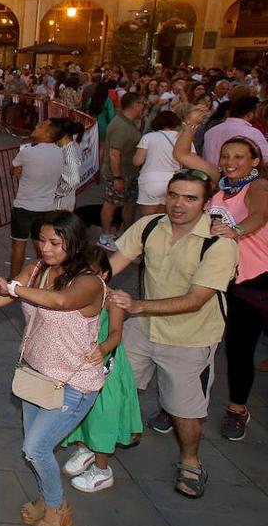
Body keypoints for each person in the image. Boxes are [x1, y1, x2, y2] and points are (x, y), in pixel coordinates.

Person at [0, 211, 107, 526]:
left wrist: (15, 288)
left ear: (73, 243)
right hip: (36, 375)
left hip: (74, 383)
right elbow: (5, 295)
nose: (45, 249)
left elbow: (60, 301)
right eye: (42, 241)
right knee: (36, 448)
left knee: (35, 447)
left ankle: (57, 507)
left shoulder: (89, 282)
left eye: (55, 243)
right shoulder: (35, 271)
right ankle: (48, 496)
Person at [106, 170, 239, 497]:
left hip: (190, 338)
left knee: (184, 410)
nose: (179, 204)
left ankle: (190, 462)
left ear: (207, 204)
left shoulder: (219, 244)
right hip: (143, 328)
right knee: (117, 386)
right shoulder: (151, 225)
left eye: (191, 198)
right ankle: (123, 431)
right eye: (174, 195)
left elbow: (196, 300)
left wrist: (137, 307)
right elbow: (110, 266)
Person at [172, 114, 267, 442]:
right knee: (197, 340)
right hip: (217, 274)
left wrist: (235, 230)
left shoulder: (257, 186)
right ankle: (183, 404)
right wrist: (190, 124)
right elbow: (183, 155)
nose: (229, 163)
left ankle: (238, 409)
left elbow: (259, 214)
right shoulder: (221, 180)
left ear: (255, 161)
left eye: (239, 157)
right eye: (225, 157)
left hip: (253, 280)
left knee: (239, 348)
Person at [59, 247, 143, 493]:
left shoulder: (113, 299)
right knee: (78, 411)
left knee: (101, 416)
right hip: (80, 364)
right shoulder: (73, 294)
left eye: (91, 274)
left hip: (105, 367)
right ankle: (85, 448)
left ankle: (102, 468)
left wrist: (103, 348)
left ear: (104, 275)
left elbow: (116, 333)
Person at [8, 120, 66, 278]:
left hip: (24, 208)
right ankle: (44, 279)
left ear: (47, 134)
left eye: (39, 126)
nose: (35, 126)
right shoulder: (60, 152)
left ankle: (13, 281)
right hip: (46, 208)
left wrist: (18, 170)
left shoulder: (27, 152)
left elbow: (13, 169)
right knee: (42, 249)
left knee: (18, 248)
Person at [99, 93, 146, 251]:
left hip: (130, 172)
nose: (144, 107)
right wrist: (117, 177)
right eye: (142, 104)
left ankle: (126, 232)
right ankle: (105, 235)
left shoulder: (130, 122)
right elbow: (114, 154)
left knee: (129, 203)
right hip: (120, 174)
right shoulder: (121, 125)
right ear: (135, 104)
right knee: (112, 203)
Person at [134, 110, 183, 216]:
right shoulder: (183, 139)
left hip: (150, 181)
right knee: (165, 219)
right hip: (174, 181)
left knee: (148, 220)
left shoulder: (148, 137)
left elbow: (138, 161)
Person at [52, 119, 85, 211]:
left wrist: (55, 193)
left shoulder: (70, 152)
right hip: (63, 202)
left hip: (60, 205)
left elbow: (73, 180)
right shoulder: (66, 148)